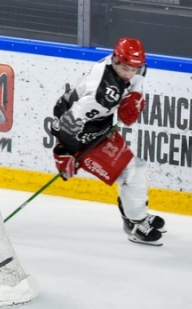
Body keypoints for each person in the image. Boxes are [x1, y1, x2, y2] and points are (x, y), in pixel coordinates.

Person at [50, 37, 166, 246]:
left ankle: (135, 214)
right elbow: (68, 121)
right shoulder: (102, 94)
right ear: (115, 61)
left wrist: (135, 98)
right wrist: (64, 151)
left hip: (100, 125)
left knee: (135, 169)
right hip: (83, 135)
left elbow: (135, 84)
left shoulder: (135, 68)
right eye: (126, 69)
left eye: (134, 68)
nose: (130, 73)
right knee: (133, 171)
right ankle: (135, 222)